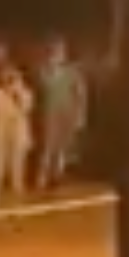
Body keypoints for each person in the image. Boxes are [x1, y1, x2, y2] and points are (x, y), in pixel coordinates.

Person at [35, 40, 88, 190]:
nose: (57, 54)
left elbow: (81, 95)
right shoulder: (44, 70)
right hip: (50, 114)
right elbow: (43, 85)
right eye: (54, 51)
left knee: (62, 148)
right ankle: (42, 177)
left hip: (67, 114)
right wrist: (51, 68)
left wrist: (80, 116)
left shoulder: (73, 72)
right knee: (47, 146)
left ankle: (57, 176)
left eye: (60, 52)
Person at [0, 67, 34, 209]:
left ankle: (18, 201)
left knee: (17, 170)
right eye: (7, 78)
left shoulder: (26, 94)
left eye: (14, 78)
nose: (10, 81)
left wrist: (17, 93)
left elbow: (26, 110)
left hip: (18, 137)